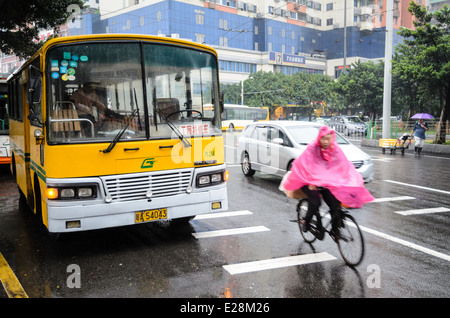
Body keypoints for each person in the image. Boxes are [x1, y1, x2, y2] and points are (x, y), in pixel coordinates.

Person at [282, 126, 374, 237]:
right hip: (307, 179)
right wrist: (312, 182)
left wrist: (347, 181)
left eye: (328, 139)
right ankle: (306, 221)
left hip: (325, 181)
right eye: (323, 138)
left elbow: (343, 165)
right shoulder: (312, 148)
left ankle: (335, 230)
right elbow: (308, 165)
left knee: (335, 206)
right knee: (315, 202)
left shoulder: (335, 148)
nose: (326, 141)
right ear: (319, 138)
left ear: (332, 138)